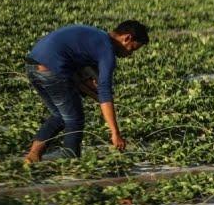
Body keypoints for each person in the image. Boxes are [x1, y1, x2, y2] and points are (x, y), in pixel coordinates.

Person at [23, 21, 149, 164]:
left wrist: (100, 99)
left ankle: (33, 156)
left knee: (60, 115)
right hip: (51, 70)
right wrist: (115, 133)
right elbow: (104, 91)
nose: (129, 54)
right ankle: (71, 165)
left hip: (32, 65)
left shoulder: (97, 37)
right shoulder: (106, 50)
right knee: (75, 119)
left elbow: (82, 82)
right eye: (131, 49)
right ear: (127, 38)